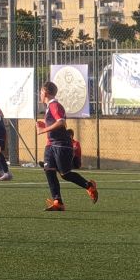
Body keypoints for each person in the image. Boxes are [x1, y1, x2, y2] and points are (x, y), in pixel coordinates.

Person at [37, 82, 98, 211]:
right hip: (51, 144)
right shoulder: (49, 107)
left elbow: (61, 122)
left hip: (61, 145)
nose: (40, 95)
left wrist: (44, 129)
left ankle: (89, 186)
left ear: (45, 92)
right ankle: (58, 202)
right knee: (49, 170)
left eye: (41, 92)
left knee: (65, 174)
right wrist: (45, 127)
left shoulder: (54, 105)